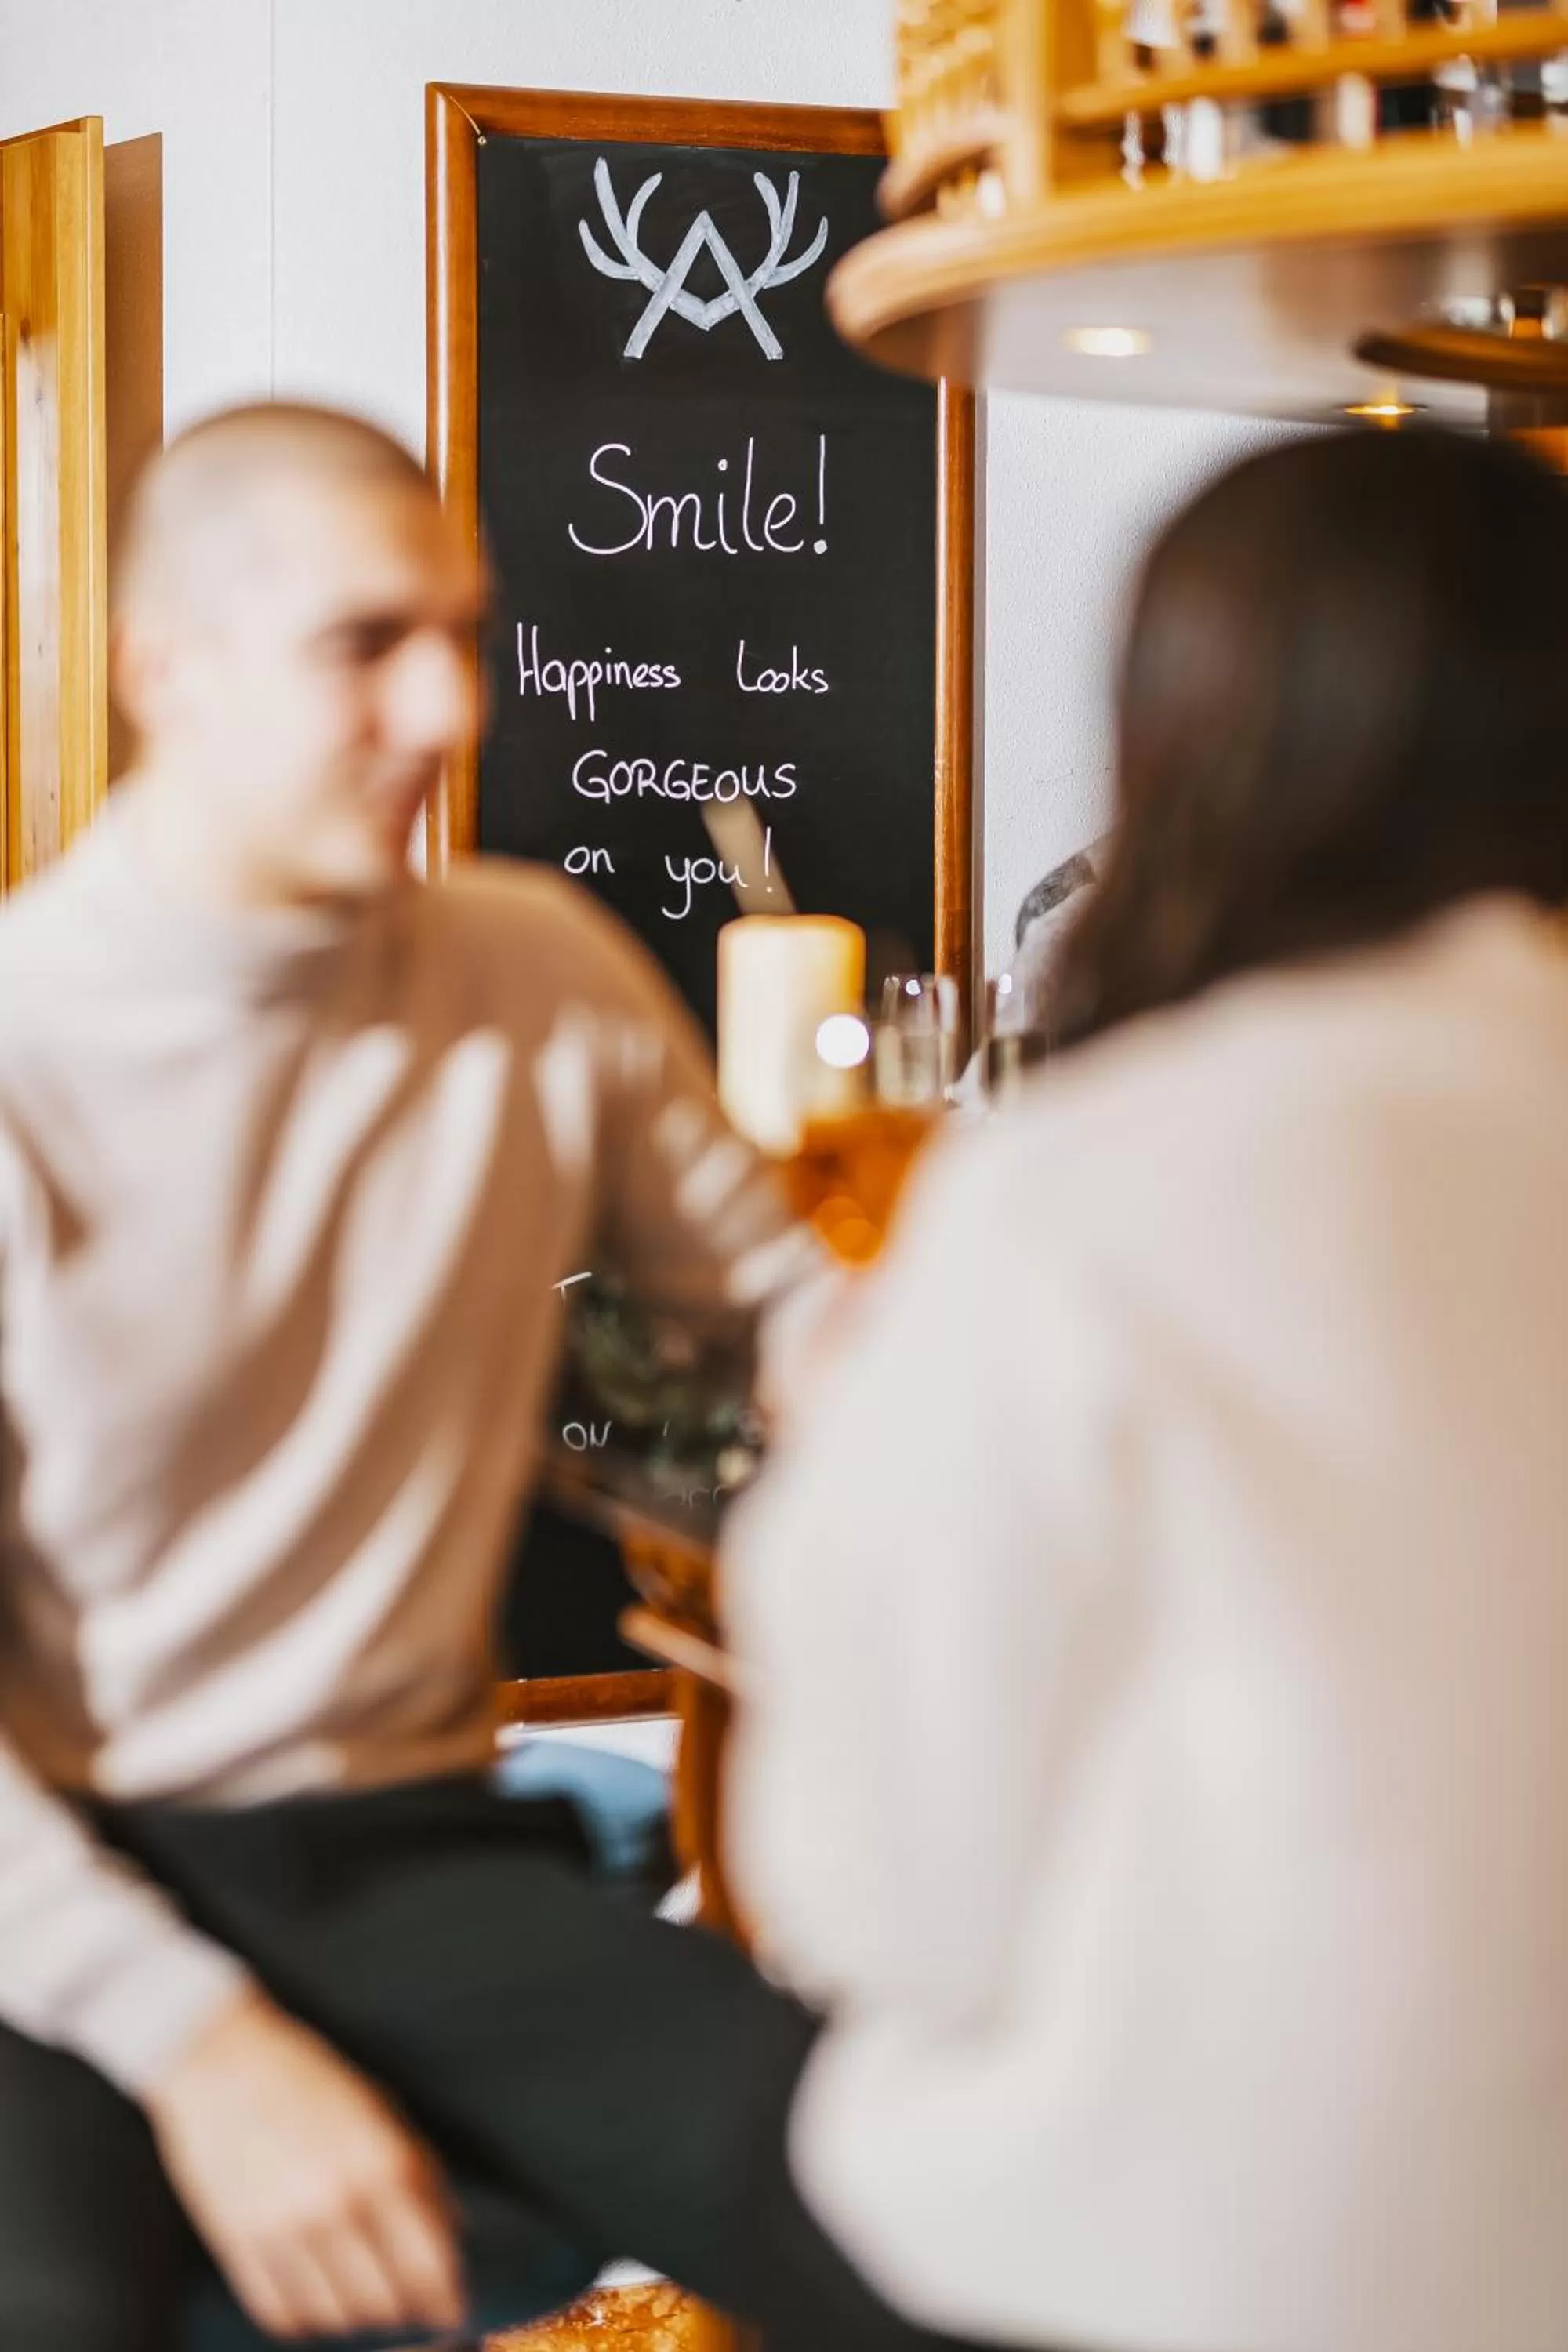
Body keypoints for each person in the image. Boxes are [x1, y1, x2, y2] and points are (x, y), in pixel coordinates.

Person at [0, 401, 955, 2352]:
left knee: (920, 2228)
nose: (447, 704)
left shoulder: (536, 968)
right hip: (57, 1879)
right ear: (162, 667)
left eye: (466, 632)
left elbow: (778, 1317)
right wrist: (205, 2053)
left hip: (407, 1843)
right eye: (365, 644)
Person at [723, 426, 1568, 2352]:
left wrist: (833, 1472)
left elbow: (865, 1887)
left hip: (1171, 2257)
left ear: (1179, 738)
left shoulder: (1087, 1187)